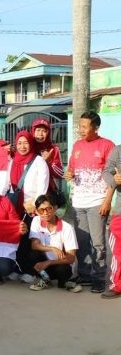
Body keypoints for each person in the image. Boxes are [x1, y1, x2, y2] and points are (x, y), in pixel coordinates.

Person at [64, 111, 115, 293]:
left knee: (98, 242)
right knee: (82, 240)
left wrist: (107, 201)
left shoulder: (107, 146)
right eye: (80, 126)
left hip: (98, 201)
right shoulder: (77, 145)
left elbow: (113, 177)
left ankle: (99, 277)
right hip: (78, 202)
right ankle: (84, 274)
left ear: (96, 127)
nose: (81, 129)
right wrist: (69, 174)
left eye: (85, 126)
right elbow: (70, 170)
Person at [8, 131, 49, 281]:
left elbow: (42, 187)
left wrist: (34, 205)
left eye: (25, 143)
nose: (22, 146)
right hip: (15, 207)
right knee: (16, 238)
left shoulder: (38, 161)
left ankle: (29, 271)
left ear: (31, 143)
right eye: (19, 143)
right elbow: (8, 184)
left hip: (31, 209)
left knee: (28, 241)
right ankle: (17, 268)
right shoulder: (12, 161)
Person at [28, 194, 82, 292]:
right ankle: (45, 279)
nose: (45, 213)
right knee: (33, 255)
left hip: (60, 265)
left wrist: (48, 262)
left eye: (48, 209)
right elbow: (34, 245)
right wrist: (52, 248)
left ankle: (65, 282)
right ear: (36, 212)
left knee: (63, 270)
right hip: (45, 264)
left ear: (55, 208)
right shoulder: (36, 220)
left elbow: (71, 258)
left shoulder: (67, 228)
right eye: (41, 210)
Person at [102, 144, 121, 299]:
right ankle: (117, 285)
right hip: (120, 211)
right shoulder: (118, 150)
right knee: (118, 252)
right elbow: (107, 171)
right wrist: (114, 179)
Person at [30, 119, 63, 191]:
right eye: (38, 130)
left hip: (47, 190)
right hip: (28, 189)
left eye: (44, 131)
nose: (40, 134)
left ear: (48, 133)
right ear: (33, 131)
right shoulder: (27, 147)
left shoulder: (53, 149)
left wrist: (49, 161)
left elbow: (60, 174)